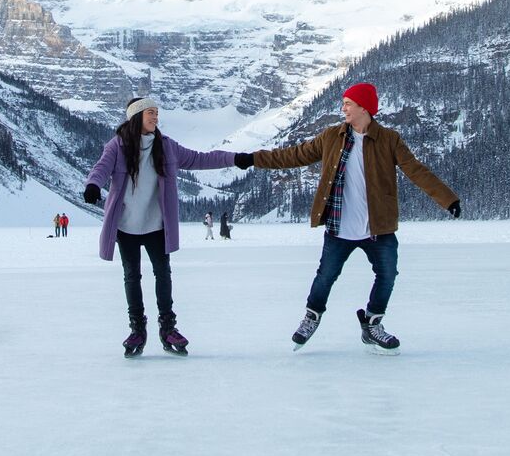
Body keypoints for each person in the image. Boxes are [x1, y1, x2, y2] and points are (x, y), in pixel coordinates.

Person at [239, 82, 460, 353]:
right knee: (325, 276)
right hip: (339, 227)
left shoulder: (389, 140)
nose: (343, 108)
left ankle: (373, 324)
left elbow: (415, 170)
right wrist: (253, 159)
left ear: (364, 108)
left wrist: (447, 199)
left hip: (377, 228)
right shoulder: (332, 136)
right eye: (344, 103)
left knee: (387, 274)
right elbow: (295, 155)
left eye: (348, 103)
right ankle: (311, 317)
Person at [85, 97, 245, 357]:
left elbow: (199, 159)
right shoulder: (118, 145)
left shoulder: (166, 147)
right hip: (126, 226)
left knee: (163, 273)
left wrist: (235, 158)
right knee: (131, 275)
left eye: (157, 113)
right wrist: (93, 184)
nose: (156, 118)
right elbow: (101, 168)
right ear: (136, 116)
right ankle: (137, 328)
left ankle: (167, 328)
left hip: (156, 225)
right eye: (151, 113)